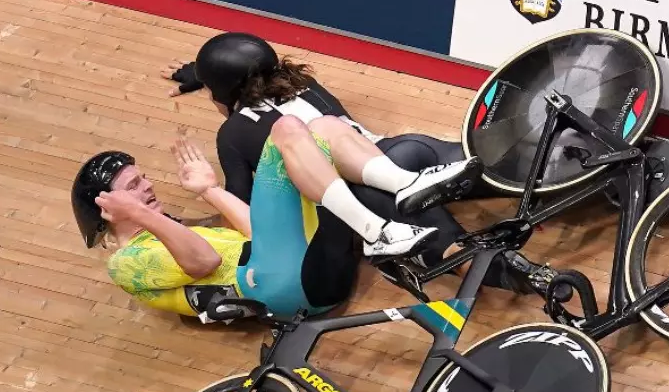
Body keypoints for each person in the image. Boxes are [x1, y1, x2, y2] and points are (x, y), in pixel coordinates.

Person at [73, 129, 469, 318]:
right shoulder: (126, 262)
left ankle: (409, 186)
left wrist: (210, 190)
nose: (148, 186)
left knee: (323, 133)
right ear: (108, 211)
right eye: (133, 187)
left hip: (299, 271)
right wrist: (142, 215)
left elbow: (257, 231)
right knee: (286, 133)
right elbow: (204, 263)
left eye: (143, 178)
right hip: (280, 290)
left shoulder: (169, 228)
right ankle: (378, 230)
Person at [166, 31, 483, 256]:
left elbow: (239, 212)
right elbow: (250, 66)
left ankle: (515, 274)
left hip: (368, 193)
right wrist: (205, 72)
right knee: (496, 167)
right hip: (400, 148)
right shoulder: (301, 81)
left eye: (210, 89)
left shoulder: (233, 133)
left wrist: (198, 217)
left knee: (458, 253)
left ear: (222, 89)